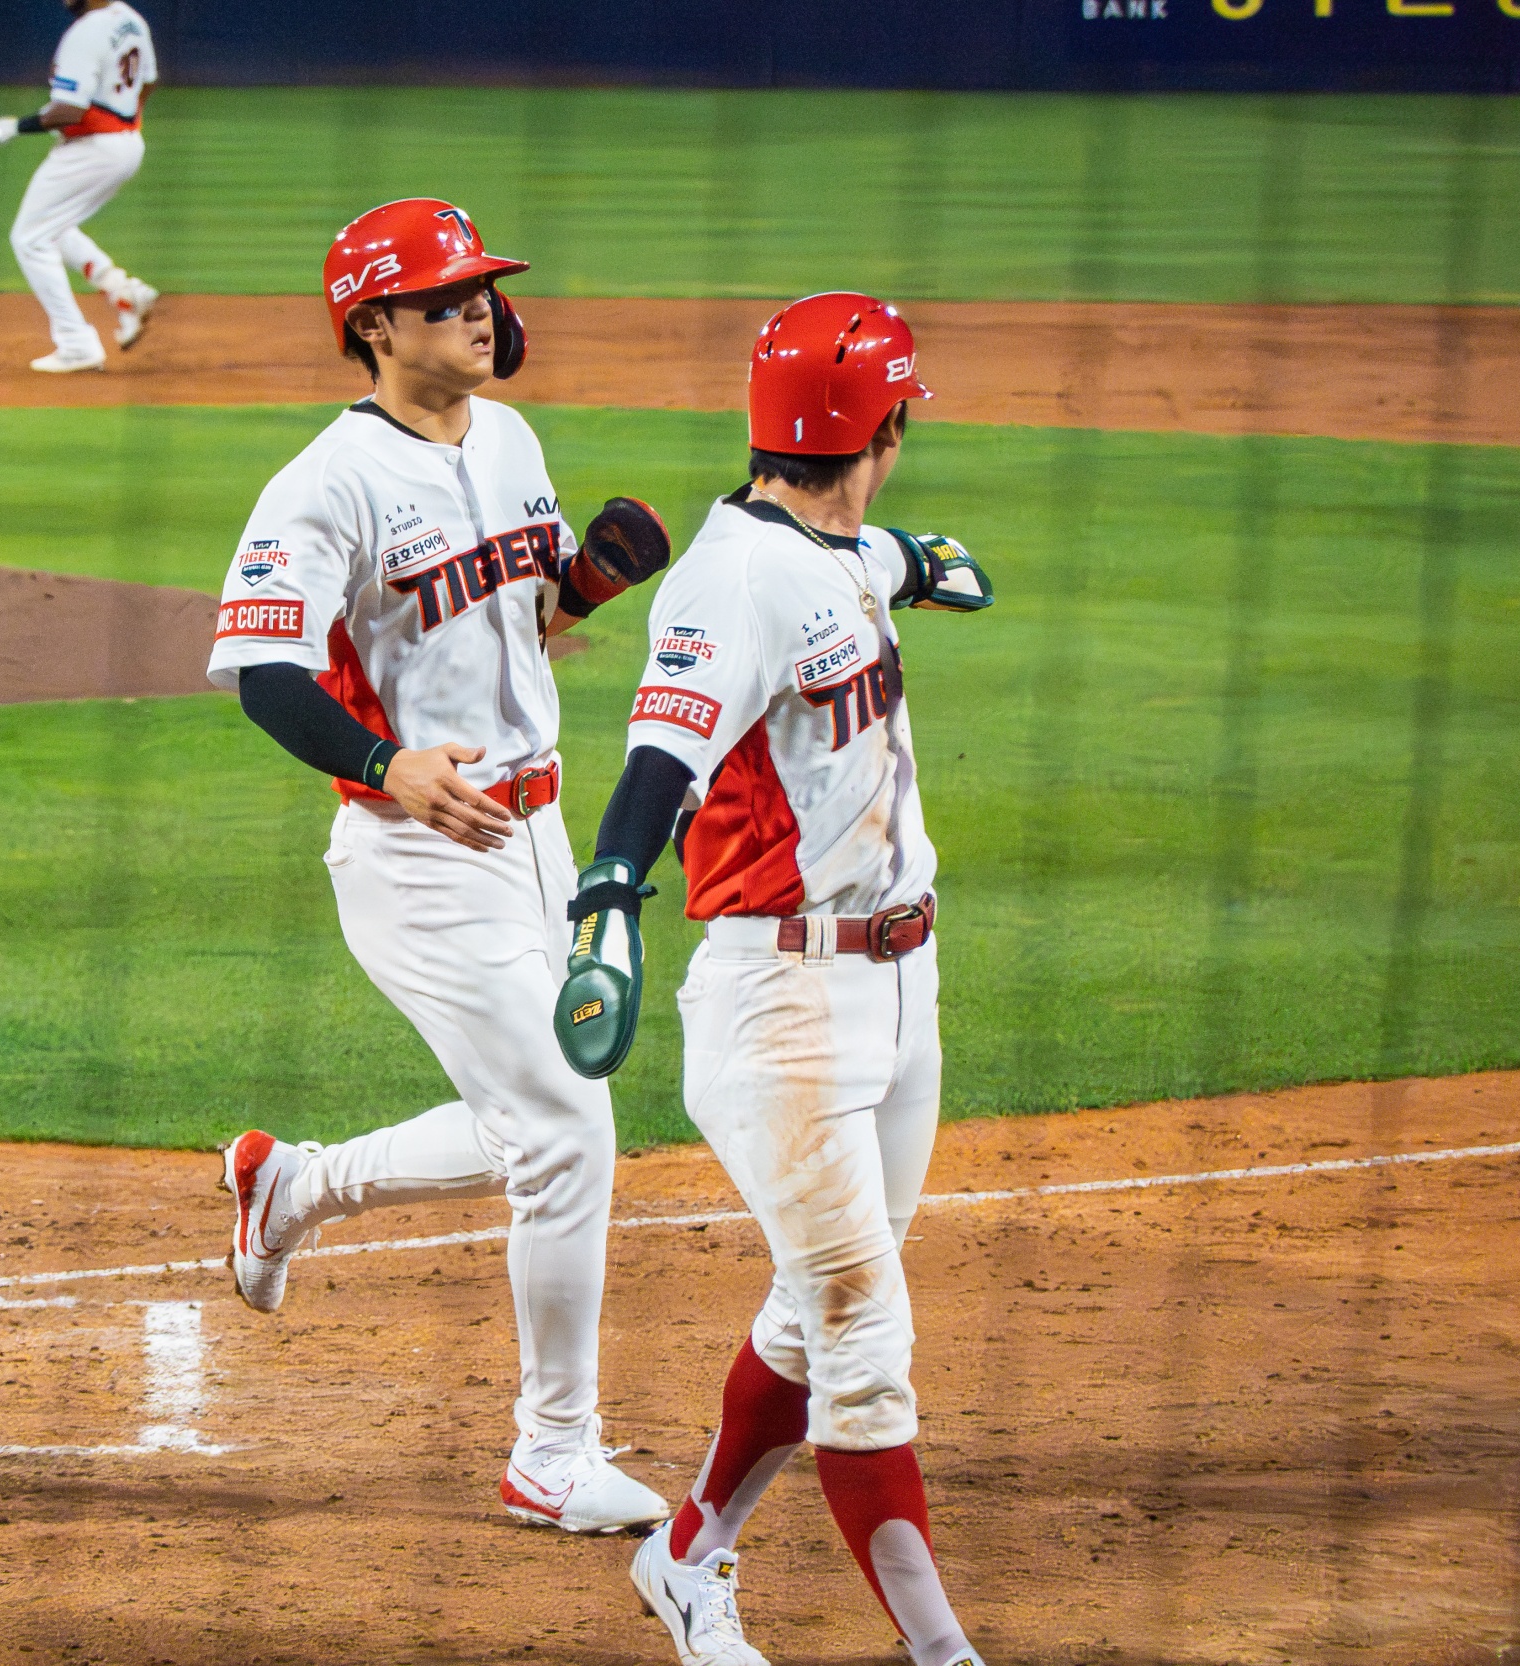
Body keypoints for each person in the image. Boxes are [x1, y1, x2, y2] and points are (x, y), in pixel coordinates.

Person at [210, 198, 676, 1535]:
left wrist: (586, 586)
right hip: (418, 854)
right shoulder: (325, 484)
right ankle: (551, 1451)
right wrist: (383, 762)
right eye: (445, 296)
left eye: (482, 290)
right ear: (374, 326)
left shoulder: (510, 438)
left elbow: (516, 624)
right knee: (568, 1130)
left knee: (535, 1111)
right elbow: (262, 669)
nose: (479, 310)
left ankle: (291, 1184)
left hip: (540, 835)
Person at [551, 292, 994, 1666]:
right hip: (786, 1007)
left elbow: (870, 559)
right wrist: (608, 894)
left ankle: (685, 1558)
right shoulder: (731, 578)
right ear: (886, 427)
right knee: (865, 1342)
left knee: (814, 1311)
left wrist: (914, 562)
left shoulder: (834, 540)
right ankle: (944, 1654)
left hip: (903, 992)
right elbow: (659, 754)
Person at [0, 0, 159, 372]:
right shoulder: (132, 19)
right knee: (50, 224)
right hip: (127, 144)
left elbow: (68, 110)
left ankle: (76, 343)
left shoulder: (86, 31)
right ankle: (123, 292)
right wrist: (123, 122)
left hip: (92, 150)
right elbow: (148, 82)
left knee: (29, 239)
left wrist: (16, 126)